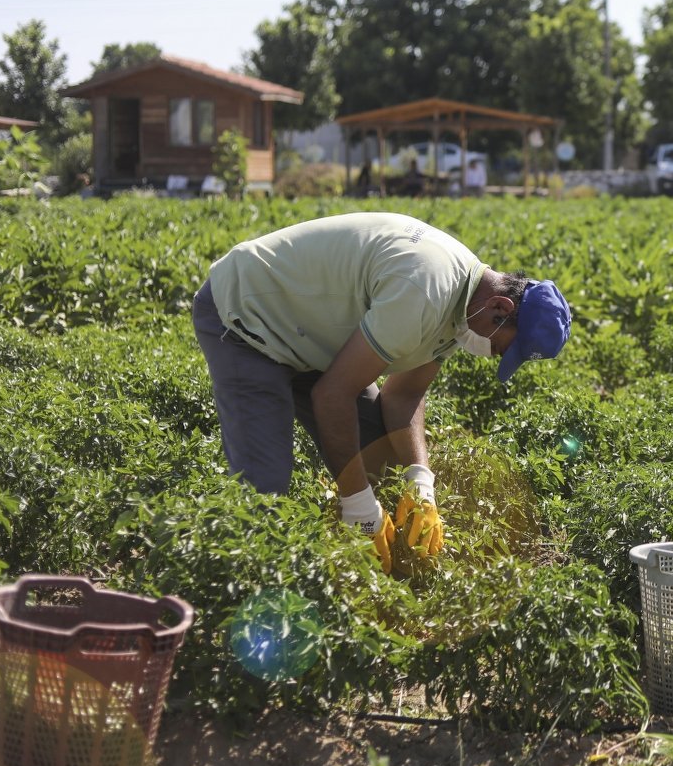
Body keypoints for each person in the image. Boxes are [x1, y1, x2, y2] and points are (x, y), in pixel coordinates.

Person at [192, 212, 572, 569]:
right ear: (500, 306)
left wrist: (420, 480)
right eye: (502, 346)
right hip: (249, 317)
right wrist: (358, 504)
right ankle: (244, 581)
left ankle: (370, 554)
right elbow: (332, 396)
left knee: (381, 457)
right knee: (266, 483)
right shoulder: (425, 291)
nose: (492, 355)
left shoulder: (467, 308)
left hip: (312, 336)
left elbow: (403, 396)